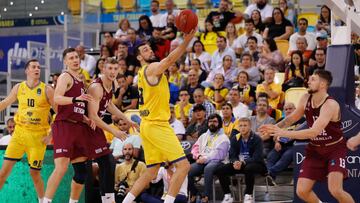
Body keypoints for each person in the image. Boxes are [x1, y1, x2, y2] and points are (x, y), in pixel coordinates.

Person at [121, 30, 196, 203]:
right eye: (145, 50)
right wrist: (187, 40)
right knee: (184, 166)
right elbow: (170, 60)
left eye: (149, 49)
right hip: (157, 125)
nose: (150, 51)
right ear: (139, 57)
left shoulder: (141, 73)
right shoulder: (152, 69)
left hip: (147, 125)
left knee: (152, 170)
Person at [260, 69, 355, 203]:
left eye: (313, 79)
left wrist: (284, 133)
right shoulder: (305, 98)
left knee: (335, 190)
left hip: (334, 149)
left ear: (322, 84)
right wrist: (276, 127)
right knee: (302, 191)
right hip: (315, 149)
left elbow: (313, 132)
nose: (308, 81)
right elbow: (291, 119)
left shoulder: (330, 104)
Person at [0, 59, 55, 203]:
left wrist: (51, 134)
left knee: (35, 174)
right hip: (19, 135)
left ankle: (43, 200)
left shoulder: (47, 89)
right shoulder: (19, 87)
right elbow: (6, 103)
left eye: (38, 67)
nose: (37, 69)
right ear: (27, 70)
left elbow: (60, 113)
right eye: (34, 67)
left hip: (38, 137)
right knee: (3, 173)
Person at [44, 48, 94, 203]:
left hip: (77, 126)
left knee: (81, 172)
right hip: (64, 126)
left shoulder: (80, 80)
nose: (75, 60)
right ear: (65, 61)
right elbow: (57, 98)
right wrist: (75, 99)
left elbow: (76, 106)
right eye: (71, 58)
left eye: (77, 57)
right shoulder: (65, 77)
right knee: (61, 167)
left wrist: (84, 117)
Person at [86, 57, 139, 202]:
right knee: (92, 167)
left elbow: (109, 105)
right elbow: (92, 116)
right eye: (109, 68)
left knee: (108, 163)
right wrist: (114, 131)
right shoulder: (96, 87)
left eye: (115, 69)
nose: (113, 72)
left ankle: (108, 199)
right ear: (103, 69)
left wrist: (127, 119)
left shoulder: (113, 84)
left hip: (94, 128)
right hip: (84, 127)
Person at [215, 117, 267, 203]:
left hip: (257, 164)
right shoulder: (235, 138)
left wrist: (243, 162)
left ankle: (248, 195)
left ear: (250, 127)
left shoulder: (257, 139)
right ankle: (228, 195)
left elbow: (257, 157)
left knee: (249, 168)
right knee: (220, 169)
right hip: (240, 164)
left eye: (245, 125)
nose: (243, 128)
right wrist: (235, 161)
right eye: (241, 126)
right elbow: (232, 154)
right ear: (238, 127)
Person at [188, 114, 230, 203]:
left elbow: (219, 155)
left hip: (218, 162)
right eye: (210, 121)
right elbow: (195, 148)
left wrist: (205, 159)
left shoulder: (224, 138)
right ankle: (194, 193)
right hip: (201, 160)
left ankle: (206, 196)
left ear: (219, 123)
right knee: (187, 170)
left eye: (215, 121)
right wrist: (198, 156)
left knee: (208, 168)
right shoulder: (203, 136)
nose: (212, 123)